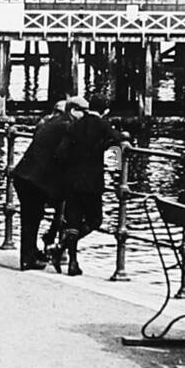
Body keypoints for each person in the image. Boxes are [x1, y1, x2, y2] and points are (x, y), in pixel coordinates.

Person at [50, 95, 125, 276]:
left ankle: (72, 262)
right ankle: (60, 248)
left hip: (72, 181)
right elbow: (117, 140)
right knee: (94, 220)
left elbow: (60, 153)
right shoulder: (103, 125)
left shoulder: (74, 125)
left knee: (73, 221)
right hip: (92, 182)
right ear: (106, 111)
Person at [10, 99, 71, 270]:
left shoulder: (45, 123)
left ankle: (31, 254)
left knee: (31, 218)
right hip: (39, 179)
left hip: (27, 175)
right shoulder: (64, 126)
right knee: (45, 215)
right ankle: (45, 252)